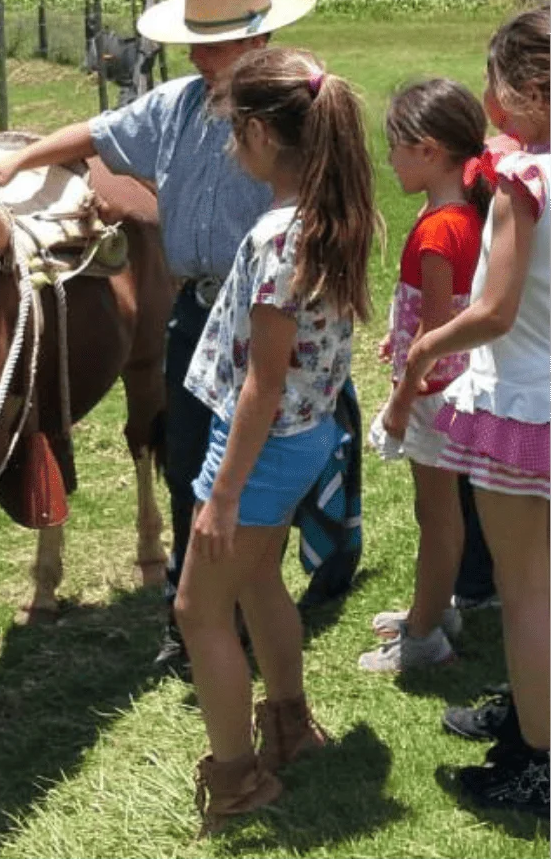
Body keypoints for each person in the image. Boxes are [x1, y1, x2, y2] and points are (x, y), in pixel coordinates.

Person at [0, 0, 356, 674]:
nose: (194, 56)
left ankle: (251, 591)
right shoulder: (178, 104)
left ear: (257, 41)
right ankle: (193, 614)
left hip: (271, 311)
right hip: (197, 314)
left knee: (266, 460)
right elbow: (94, 131)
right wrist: (22, 159)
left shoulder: (291, 120)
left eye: (208, 44)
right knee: (192, 462)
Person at [176, 47, 377, 833]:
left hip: (261, 446)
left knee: (199, 609)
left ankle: (237, 782)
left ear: (262, 132)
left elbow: (262, 381)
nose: (231, 145)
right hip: (308, 436)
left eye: (233, 130)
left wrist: (221, 494)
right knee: (259, 581)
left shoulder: (274, 237)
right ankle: (290, 725)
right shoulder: (335, 216)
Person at [400, 4, 550, 816]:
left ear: (525, 89)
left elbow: (493, 309)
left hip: (526, 401)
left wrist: (428, 347)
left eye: (495, 80)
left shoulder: (522, 186)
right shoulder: (528, 165)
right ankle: (532, 712)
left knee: (528, 591)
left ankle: (536, 761)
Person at [360, 79, 489, 672]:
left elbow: (435, 330)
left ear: (429, 150)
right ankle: (436, 609)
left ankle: (424, 638)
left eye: (394, 147)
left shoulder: (439, 229)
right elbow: (440, 309)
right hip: (454, 391)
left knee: (435, 518)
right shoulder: (463, 216)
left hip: (433, 396)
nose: (389, 159)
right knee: (441, 515)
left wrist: (401, 400)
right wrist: (398, 328)